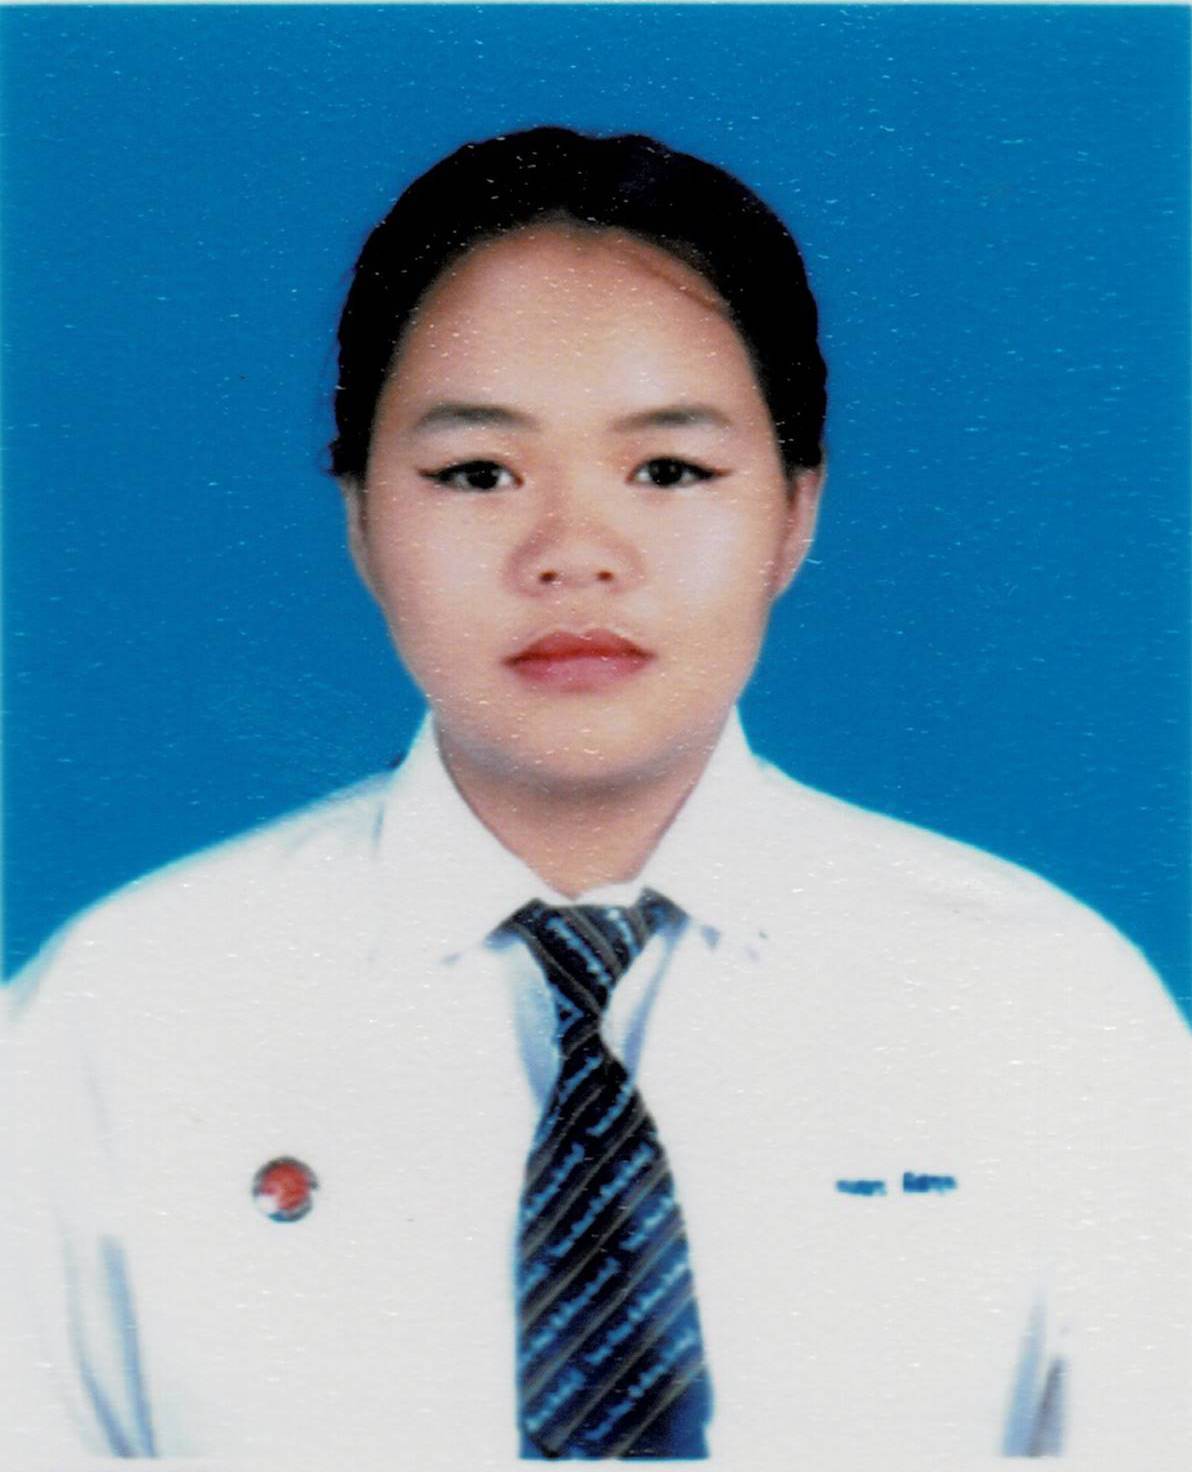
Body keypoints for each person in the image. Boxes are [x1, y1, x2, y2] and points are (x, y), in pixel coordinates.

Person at [2, 127, 1189, 1468]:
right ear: (361, 518)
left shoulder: (1045, 1010)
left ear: (796, 511)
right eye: (478, 474)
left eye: (669, 471)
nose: (574, 554)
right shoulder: (113, 1023)